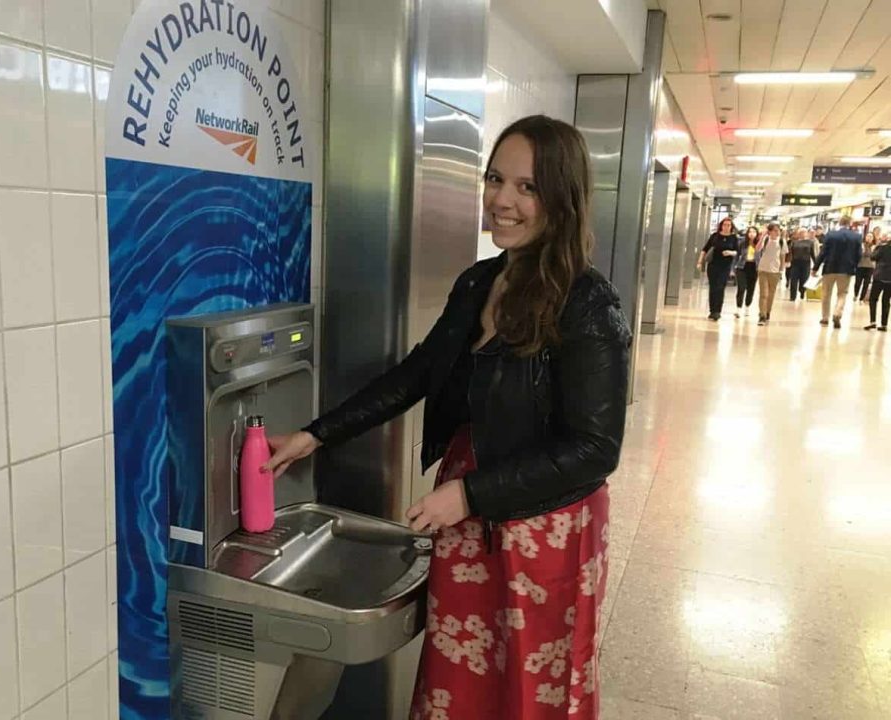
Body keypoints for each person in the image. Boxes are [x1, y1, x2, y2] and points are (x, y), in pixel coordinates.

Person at [264, 116, 631, 720]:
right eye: (495, 179)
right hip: (468, 510)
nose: (502, 200)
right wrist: (315, 434)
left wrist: (471, 494)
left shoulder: (587, 302)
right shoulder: (480, 281)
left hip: (544, 526)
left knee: (532, 686)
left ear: (561, 199)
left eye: (527, 187)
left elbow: (596, 447)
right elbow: (418, 372)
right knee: (459, 674)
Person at [814, 215, 863, 329]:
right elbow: (859, 255)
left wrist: (815, 267)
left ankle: (825, 318)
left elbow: (823, 253)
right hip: (846, 270)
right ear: (850, 223)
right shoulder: (856, 237)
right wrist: (854, 266)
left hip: (830, 268)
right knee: (842, 293)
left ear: (839, 223)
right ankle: (837, 313)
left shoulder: (830, 235)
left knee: (826, 293)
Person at [697, 217, 739, 320]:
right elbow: (705, 249)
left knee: (720, 287)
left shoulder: (733, 238)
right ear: (721, 225)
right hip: (713, 265)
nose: (726, 227)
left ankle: (717, 311)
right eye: (724, 225)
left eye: (729, 225)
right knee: (713, 287)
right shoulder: (715, 236)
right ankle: (712, 311)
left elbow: (737, 252)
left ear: (731, 227)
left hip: (725, 267)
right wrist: (700, 261)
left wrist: (730, 252)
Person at [756, 223, 787, 326]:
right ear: (769, 231)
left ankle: (768, 311)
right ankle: (762, 315)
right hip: (763, 269)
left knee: (771, 294)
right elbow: (757, 249)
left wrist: (781, 270)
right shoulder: (765, 240)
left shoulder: (782, 241)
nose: (777, 232)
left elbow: (783, 257)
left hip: (775, 271)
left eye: (778, 230)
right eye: (775, 230)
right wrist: (763, 236)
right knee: (763, 294)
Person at [865, 233, 891, 332]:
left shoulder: (882, 247)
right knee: (886, 301)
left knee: (873, 299)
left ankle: (873, 322)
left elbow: (873, 257)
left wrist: (876, 248)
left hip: (879, 277)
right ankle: (884, 324)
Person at [733, 226, 760, 317]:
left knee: (751, 289)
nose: (752, 234)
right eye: (750, 232)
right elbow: (737, 255)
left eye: (754, 232)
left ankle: (747, 306)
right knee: (741, 288)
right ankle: (738, 308)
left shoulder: (759, 244)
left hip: (754, 268)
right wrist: (734, 267)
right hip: (742, 267)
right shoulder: (742, 243)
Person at [788, 227, 817, 301]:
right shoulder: (794, 242)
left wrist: (816, 264)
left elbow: (812, 254)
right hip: (795, 263)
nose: (802, 234)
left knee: (804, 279)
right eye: (801, 233)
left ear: (806, 233)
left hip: (806, 263)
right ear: (798, 234)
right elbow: (791, 253)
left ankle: (802, 292)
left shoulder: (810, 242)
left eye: (804, 232)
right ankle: (792, 296)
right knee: (794, 280)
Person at [854, 231, 877, 303]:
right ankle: (855, 295)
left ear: (873, 238)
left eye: (871, 237)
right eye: (868, 236)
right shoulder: (861, 245)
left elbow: (875, 256)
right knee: (858, 282)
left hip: (870, 267)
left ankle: (862, 298)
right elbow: (858, 254)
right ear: (865, 237)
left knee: (866, 283)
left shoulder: (875, 247)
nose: (869, 238)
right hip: (860, 266)